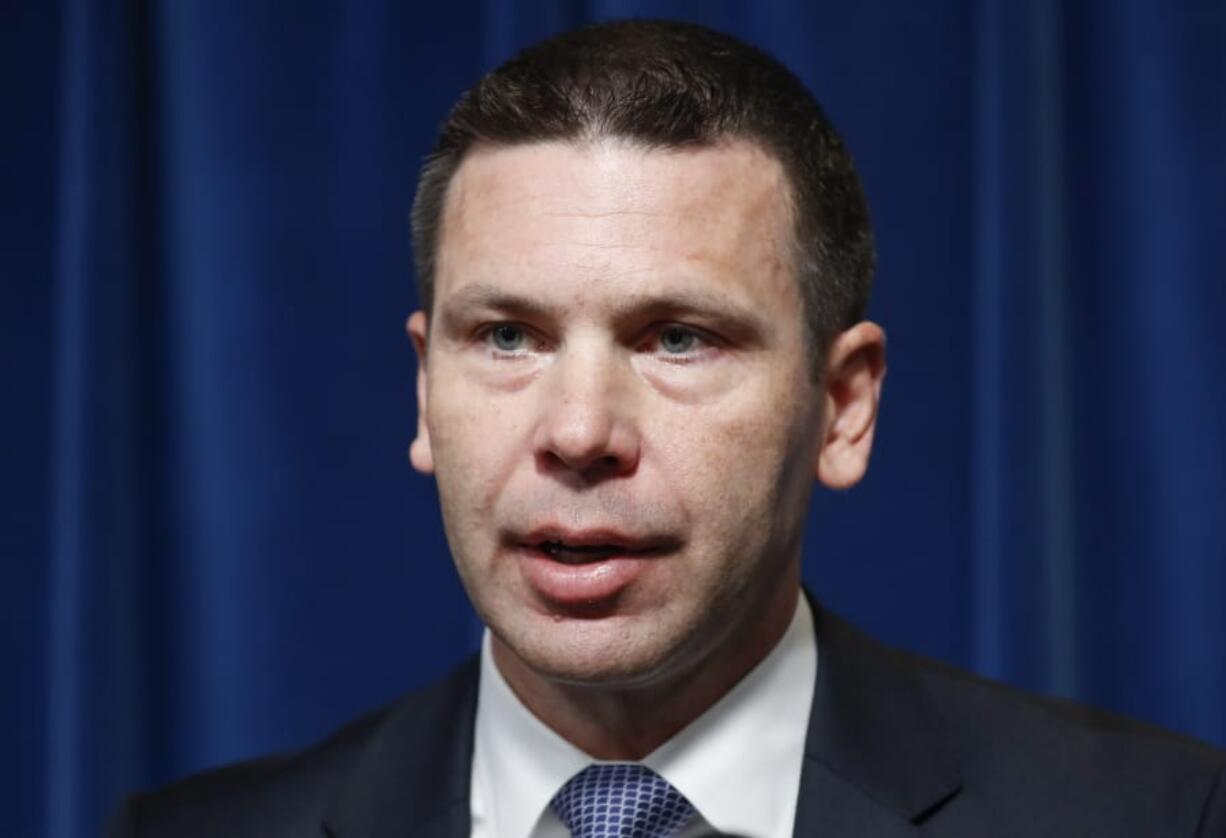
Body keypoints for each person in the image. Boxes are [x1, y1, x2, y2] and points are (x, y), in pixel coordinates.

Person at [108, 19, 1224, 838]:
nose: (579, 430)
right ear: (422, 392)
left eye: (676, 338)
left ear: (843, 407)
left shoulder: (1155, 818)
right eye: (506, 337)